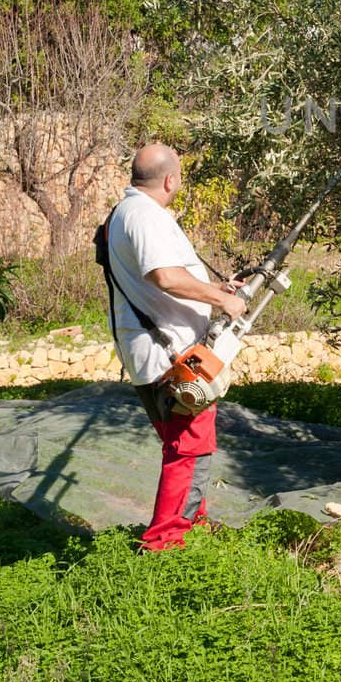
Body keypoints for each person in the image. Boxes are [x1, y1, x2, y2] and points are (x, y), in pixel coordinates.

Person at [103, 143, 244, 550]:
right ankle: (164, 540)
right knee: (188, 448)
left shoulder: (125, 213)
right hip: (168, 355)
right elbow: (164, 276)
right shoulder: (145, 216)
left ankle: (192, 521)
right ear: (170, 180)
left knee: (185, 445)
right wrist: (224, 301)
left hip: (154, 349)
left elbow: (163, 278)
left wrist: (213, 287)